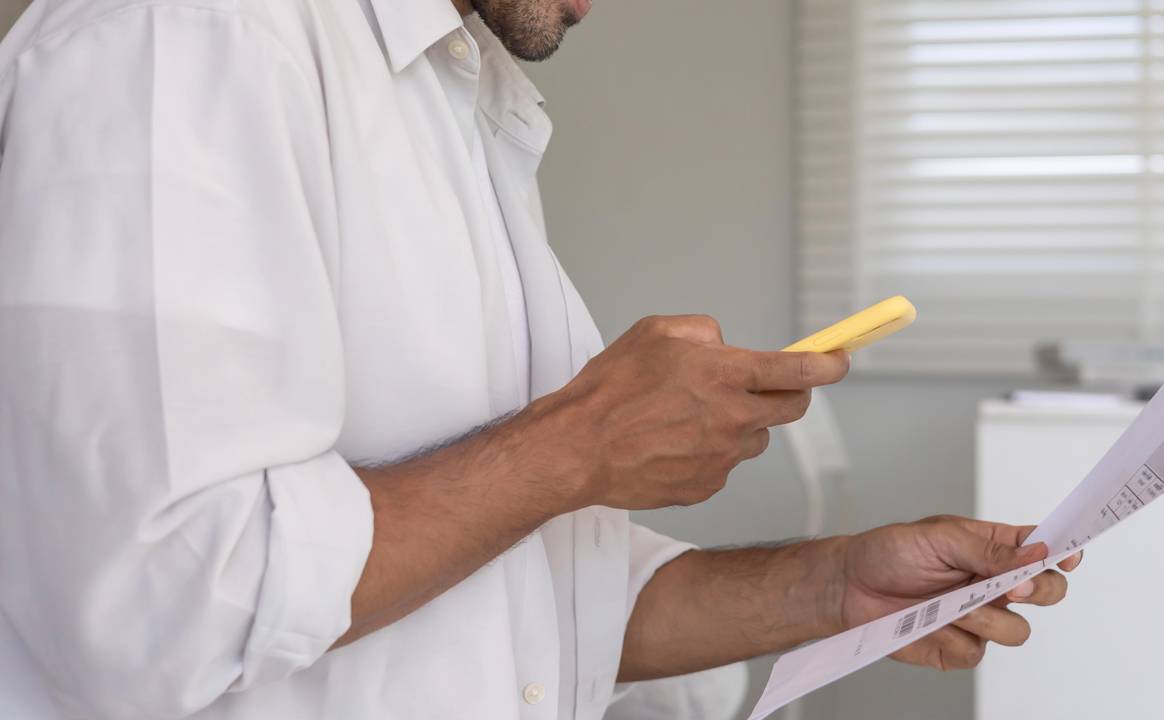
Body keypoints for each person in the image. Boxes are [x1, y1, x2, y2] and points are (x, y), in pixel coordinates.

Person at [0, 0, 1081, 718]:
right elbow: (158, 602)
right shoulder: (177, 36)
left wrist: (832, 587)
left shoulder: (454, 100)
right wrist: (576, 447)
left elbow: (522, 602)